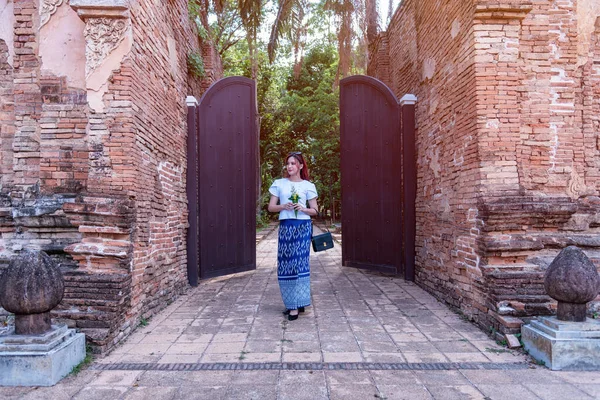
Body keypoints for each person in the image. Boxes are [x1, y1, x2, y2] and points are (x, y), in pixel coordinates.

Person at [268, 152, 319, 321]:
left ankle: (297, 306)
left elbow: (315, 210)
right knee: (286, 265)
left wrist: (302, 208)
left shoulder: (308, 186)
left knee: (299, 264)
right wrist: (284, 206)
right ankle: (292, 302)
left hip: (303, 228)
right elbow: (271, 207)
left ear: (301, 166)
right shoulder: (279, 184)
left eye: (293, 163)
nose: (289, 166)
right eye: (288, 163)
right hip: (286, 228)